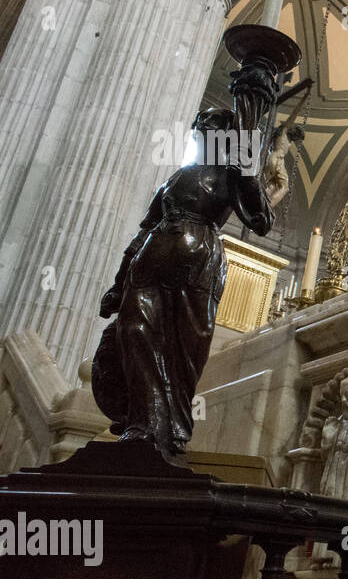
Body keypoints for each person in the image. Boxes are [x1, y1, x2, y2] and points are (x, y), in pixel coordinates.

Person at [93, 108, 283, 459]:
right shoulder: (177, 177)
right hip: (149, 262)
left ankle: (170, 430)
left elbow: (261, 220)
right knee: (134, 332)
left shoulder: (234, 176)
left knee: (185, 347)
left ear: (226, 136)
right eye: (199, 127)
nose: (200, 132)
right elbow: (144, 229)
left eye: (209, 128)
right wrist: (119, 284)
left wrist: (249, 167)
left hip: (198, 265)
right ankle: (141, 422)